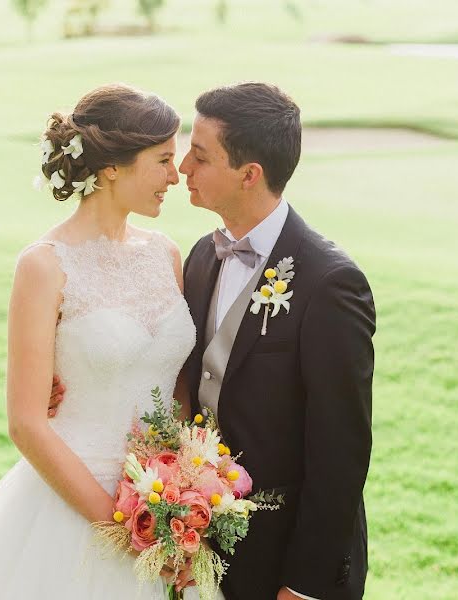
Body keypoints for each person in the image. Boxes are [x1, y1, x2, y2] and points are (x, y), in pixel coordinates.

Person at [0, 83, 195, 599]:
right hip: (73, 503)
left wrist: (179, 491)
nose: (174, 177)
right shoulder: (44, 265)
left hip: (164, 501)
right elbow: (26, 423)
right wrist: (122, 526)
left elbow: (177, 383)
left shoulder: (166, 254)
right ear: (113, 166)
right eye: (163, 161)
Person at [176, 82, 376, 600]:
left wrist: (306, 584)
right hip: (202, 543)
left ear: (249, 175)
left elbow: (342, 450)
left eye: (199, 156)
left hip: (288, 561)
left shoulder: (330, 283)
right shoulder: (202, 256)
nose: (182, 169)